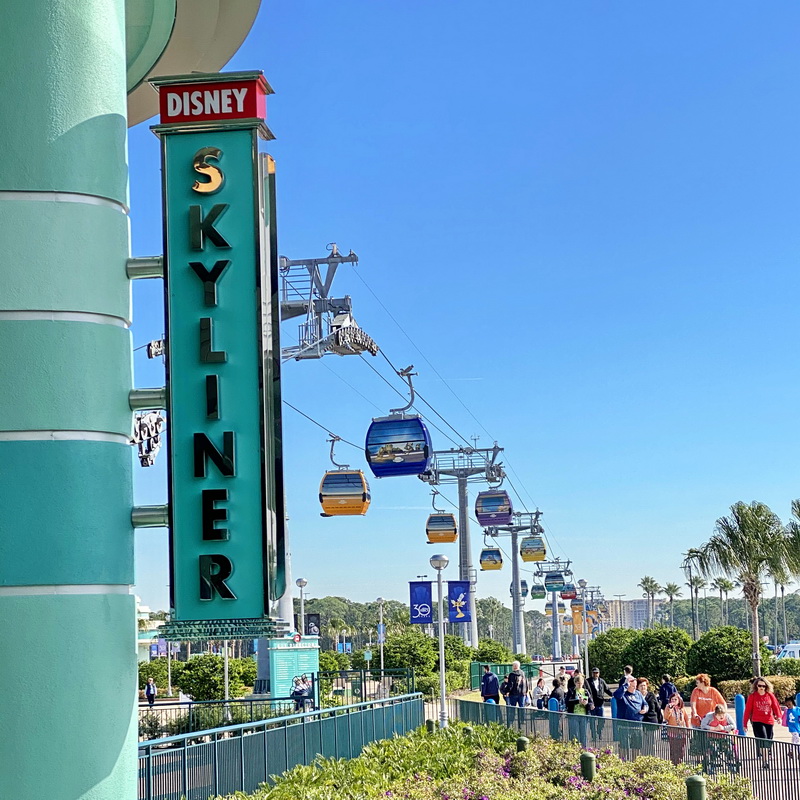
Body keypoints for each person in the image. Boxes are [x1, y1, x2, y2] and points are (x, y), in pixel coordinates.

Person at [743, 677, 782, 769]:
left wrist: (779, 717)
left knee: (769, 740)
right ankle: (765, 761)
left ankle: (765, 756)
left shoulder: (770, 695)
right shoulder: (752, 696)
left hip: (769, 721)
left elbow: (776, 706)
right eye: (760, 685)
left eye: (763, 686)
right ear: (756, 686)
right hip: (757, 721)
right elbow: (747, 711)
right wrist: (744, 724)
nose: (762, 688)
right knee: (763, 739)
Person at [701, 704, 738, 775]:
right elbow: (703, 725)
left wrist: (723, 728)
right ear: (715, 714)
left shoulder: (727, 717)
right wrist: (713, 728)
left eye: (723, 715)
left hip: (723, 736)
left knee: (729, 747)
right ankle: (713, 764)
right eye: (719, 715)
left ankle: (730, 763)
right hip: (711, 737)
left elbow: (733, 725)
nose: (721, 716)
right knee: (713, 748)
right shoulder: (709, 716)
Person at [663, 692, 691, 766]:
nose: (674, 701)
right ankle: (674, 764)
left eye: (675, 699)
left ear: (679, 700)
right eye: (672, 699)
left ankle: (680, 764)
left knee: (681, 750)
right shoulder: (668, 707)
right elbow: (666, 717)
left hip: (681, 732)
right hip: (672, 732)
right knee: (674, 750)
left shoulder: (682, 709)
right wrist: (670, 709)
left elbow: (686, 719)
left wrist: (688, 728)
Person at [566, 673, 593, 745]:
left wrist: (587, 704)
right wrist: (577, 701)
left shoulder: (586, 691)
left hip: (584, 715)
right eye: (578, 683)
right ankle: (575, 749)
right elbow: (567, 702)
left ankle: (584, 749)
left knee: (584, 735)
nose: (580, 685)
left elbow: (591, 702)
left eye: (581, 683)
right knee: (575, 734)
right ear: (575, 683)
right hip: (574, 715)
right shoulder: (571, 691)